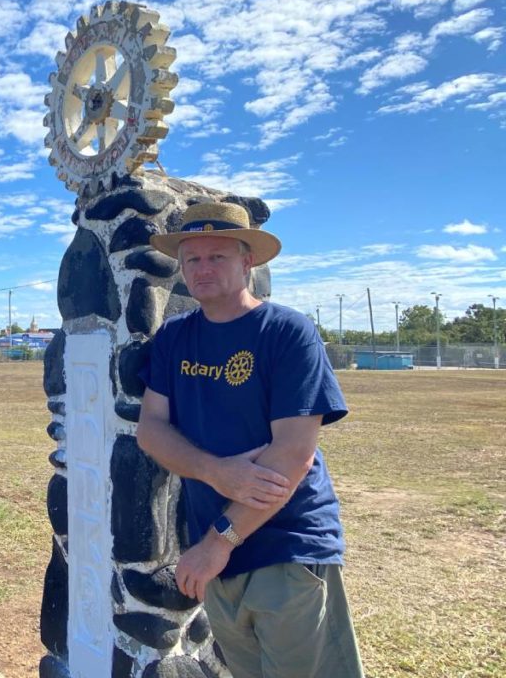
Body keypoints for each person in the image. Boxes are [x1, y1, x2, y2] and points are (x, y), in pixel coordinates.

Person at [136, 201, 364, 678]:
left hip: (287, 546)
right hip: (217, 553)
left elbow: (294, 455)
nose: (202, 269)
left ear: (248, 262)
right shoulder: (175, 337)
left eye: (217, 256)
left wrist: (220, 541)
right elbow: (151, 430)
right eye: (192, 259)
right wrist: (216, 472)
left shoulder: (286, 332)